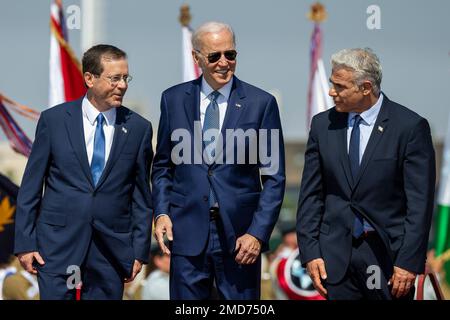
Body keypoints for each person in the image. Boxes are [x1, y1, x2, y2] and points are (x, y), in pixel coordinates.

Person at [152, 21, 285, 299]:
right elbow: (163, 166)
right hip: (186, 234)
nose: (224, 63)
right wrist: (162, 212)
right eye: (214, 56)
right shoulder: (172, 99)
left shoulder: (261, 103)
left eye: (230, 54)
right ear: (196, 57)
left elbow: (274, 177)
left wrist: (257, 234)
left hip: (241, 239)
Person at [14, 44, 153, 300]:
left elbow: (142, 197)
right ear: (89, 78)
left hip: (111, 250)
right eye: (114, 78)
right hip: (56, 247)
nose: (122, 85)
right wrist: (25, 243)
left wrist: (139, 250)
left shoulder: (138, 129)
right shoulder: (54, 121)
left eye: (125, 78)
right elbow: (31, 186)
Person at [296, 48, 436, 300]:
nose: (331, 92)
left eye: (340, 86)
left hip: (389, 261)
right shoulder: (322, 125)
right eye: (331, 84)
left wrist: (408, 261)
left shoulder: (410, 128)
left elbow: (419, 204)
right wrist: (310, 252)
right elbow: (311, 195)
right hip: (335, 260)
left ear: (366, 87)